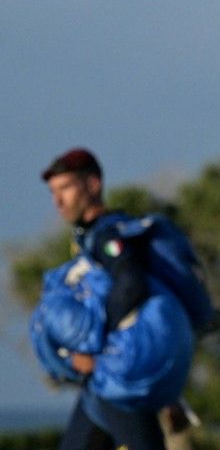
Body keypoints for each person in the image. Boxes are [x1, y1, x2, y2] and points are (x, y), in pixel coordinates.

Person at [41, 148, 171, 450]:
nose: (58, 201)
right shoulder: (88, 238)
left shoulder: (107, 235)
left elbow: (132, 282)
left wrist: (94, 345)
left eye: (66, 188)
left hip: (115, 375)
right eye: (53, 192)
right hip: (102, 381)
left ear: (93, 185)